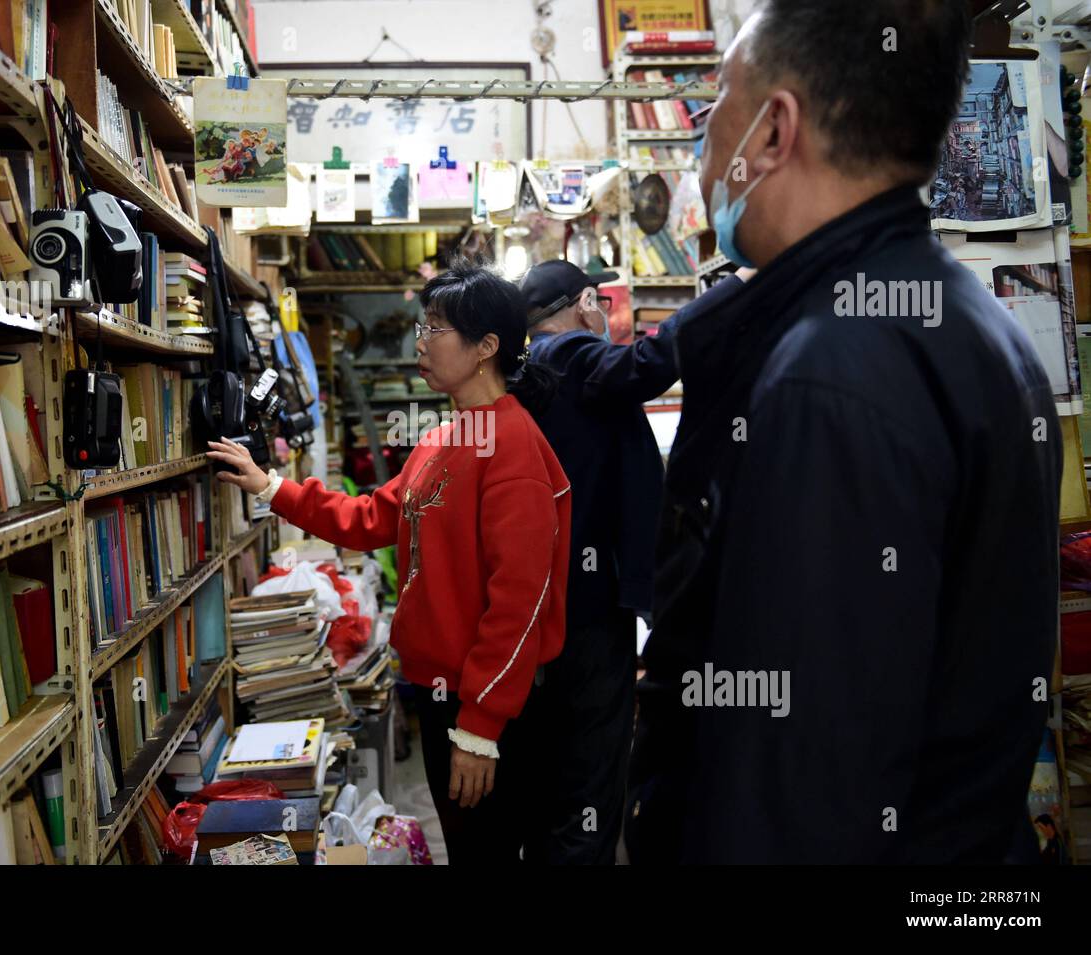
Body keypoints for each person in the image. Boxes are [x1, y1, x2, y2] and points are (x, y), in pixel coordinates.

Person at [627, 0, 1062, 864]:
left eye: (718, 102)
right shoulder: (977, 324)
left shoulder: (831, 374)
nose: (705, 141)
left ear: (775, 131)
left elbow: (798, 795)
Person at [209, 260, 571, 865]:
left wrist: (480, 728)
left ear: (487, 347)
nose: (420, 343)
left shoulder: (513, 447)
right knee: (467, 847)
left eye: (435, 330)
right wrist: (272, 487)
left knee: (487, 852)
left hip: (481, 704)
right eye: (421, 327)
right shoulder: (445, 437)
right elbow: (372, 517)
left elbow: (520, 602)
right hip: (439, 693)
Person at [515, 259, 747, 864]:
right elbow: (653, 361)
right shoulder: (568, 355)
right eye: (598, 301)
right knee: (591, 783)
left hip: (548, 603)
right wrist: (738, 287)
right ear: (585, 302)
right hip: (587, 613)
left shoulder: (530, 368)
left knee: (555, 786)